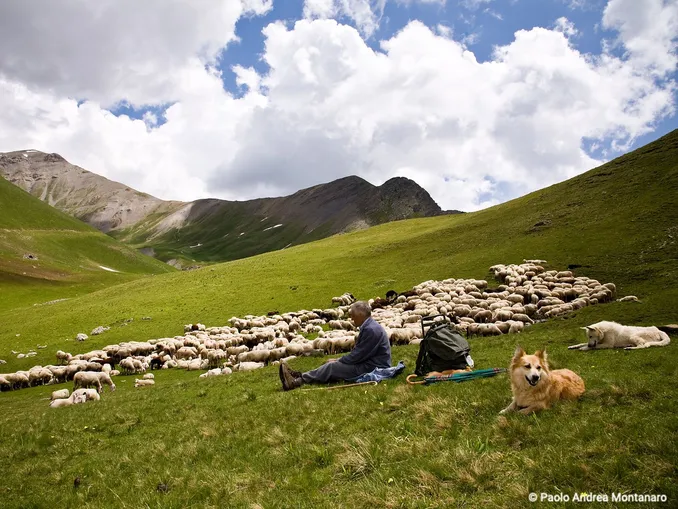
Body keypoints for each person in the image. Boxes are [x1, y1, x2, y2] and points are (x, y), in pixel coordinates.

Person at [279, 300, 391, 391]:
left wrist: (338, 360)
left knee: (332, 367)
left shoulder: (371, 330)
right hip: (370, 363)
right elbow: (360, 353)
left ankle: (296, 381)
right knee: (332, 365)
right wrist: (338, 359)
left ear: (361, 314)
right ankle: (299, 376)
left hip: (373, 367)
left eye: (353, 315)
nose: (351, 318)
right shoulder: (370, 327)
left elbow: (358, 355)